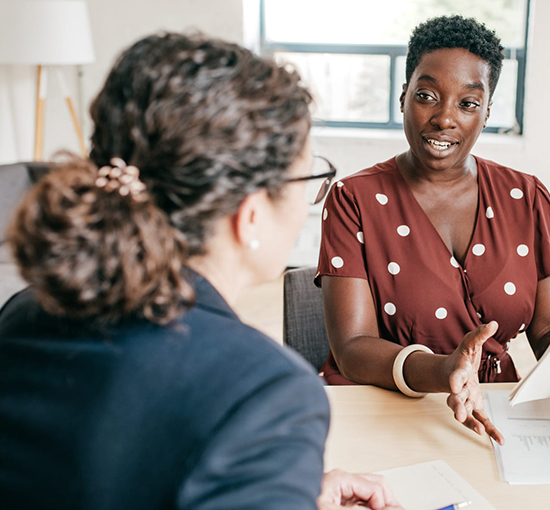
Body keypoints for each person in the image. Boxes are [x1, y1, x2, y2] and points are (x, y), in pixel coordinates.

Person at [0, 33, 403, 510]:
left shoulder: (25, 313)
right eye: (307, 178)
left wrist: (270, 485)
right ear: (249, 214)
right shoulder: (264, 393)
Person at [316, 15, 550, 445]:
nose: (445, 118)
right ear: (403, 97)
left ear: (486, 112)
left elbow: (546, 328)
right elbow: (351, 348)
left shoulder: (528, 197)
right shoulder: (354, 199)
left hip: (493, 413)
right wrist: (445, 371)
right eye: (427, 96)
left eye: (468, 103)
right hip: (377, 407)